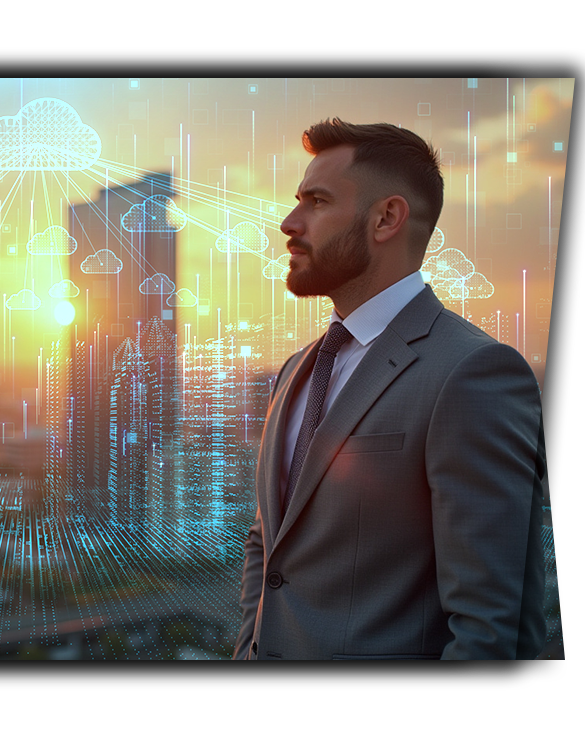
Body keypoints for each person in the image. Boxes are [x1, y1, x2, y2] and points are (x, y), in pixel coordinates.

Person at [234, 118, 547, 660]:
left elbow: (493, 630)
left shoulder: (473, 373)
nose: (289, 222)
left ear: (386, 218)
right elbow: (269, 549)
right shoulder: (294, 371)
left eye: (317, 201)